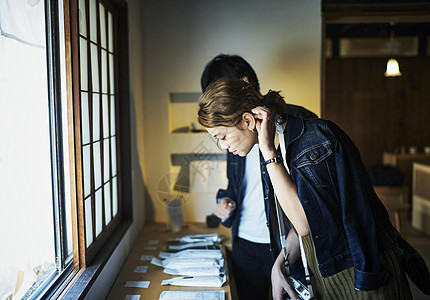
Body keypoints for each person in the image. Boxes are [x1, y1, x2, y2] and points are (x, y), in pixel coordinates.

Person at [197, 78, 413, 300]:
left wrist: (269, 154)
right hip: (334, 273)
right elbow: (307, 215)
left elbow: (304, 223)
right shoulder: (277, 139)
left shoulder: (310, 140)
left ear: (248, 121)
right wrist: (279, 264)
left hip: (364, 273)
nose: (224, 146)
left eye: (222, 137)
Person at [200, 54, 316, 300]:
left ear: (243, 84)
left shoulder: (300, 123)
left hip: (289, 246)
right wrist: (225, 201)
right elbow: (235, 185)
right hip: (244, 243)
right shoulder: (232, 135)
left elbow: (310, 211)